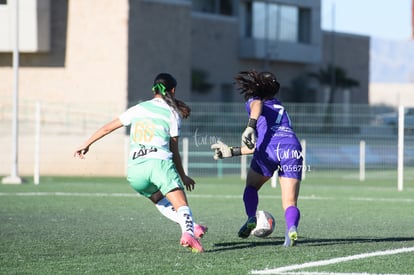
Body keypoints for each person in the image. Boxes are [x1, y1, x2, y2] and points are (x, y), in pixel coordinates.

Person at [74, 73, 206, 253]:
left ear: (153, 90)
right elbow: (173, 150)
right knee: (181, 204)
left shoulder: (137, 109)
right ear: (173, 90)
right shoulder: (172, 113)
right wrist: (183, 176)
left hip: (135, 170)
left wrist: (86, 144)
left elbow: (106, 128)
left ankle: (193, 226)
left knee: (158, 199)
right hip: (158, 164)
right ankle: (188, 233)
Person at [211, 70, 303, 247]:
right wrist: (233, 151)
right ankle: (291, 229)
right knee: (290, 202)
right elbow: (262, 144)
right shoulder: (279, 106)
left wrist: (250, 126)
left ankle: (251, 217)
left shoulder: (255, 101)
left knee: (251, 186)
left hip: (270, 148)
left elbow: (257, 105)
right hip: (292, 146)